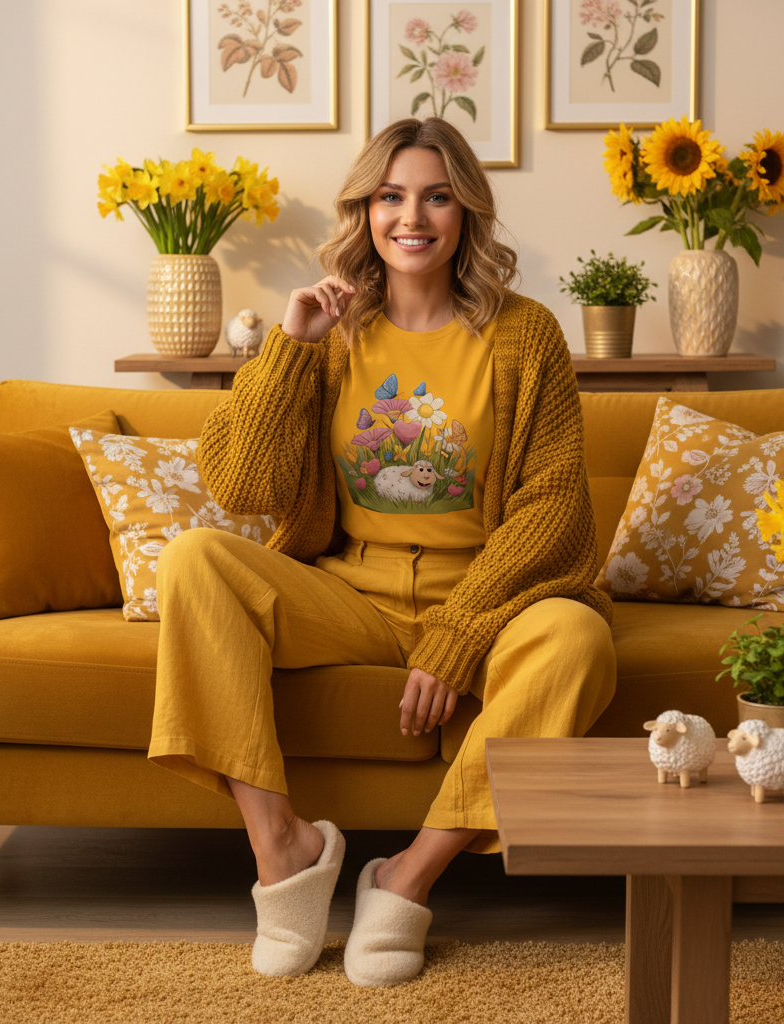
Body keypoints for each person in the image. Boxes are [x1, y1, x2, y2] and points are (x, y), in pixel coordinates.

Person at [147, 117, 616, 986]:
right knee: (195, 560)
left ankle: (405, 878)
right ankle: (281, 848)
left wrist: (461, 630)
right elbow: (240, 485)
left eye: (436, 196)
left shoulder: (526, 334)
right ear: (364, 212)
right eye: (391, 196)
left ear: (466, 211)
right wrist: (292, 343)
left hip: (484, 596)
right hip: (350, 595)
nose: (413, 216)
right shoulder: (328, 334)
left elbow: (555, 510)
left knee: (579, 639)